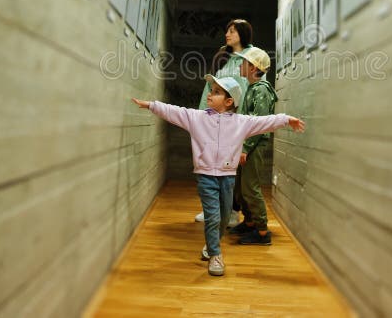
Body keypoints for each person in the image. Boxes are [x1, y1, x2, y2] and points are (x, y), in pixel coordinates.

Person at [131, 76, 306, 276]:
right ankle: (215, 254)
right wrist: (151, 105)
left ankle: (211, 243)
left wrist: (286, 119)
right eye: (211, 90)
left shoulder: (242, 122)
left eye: (216, 92)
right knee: (213, 217)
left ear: (229, 101)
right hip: (205, 176)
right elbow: (174, 111)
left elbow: (265, 121)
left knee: (224, 218)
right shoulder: (196, 118)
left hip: (228, 176)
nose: (210, 94)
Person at [194, 19, 259, 225]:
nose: (227, 34)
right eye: (227, 31)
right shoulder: (223, 56)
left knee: (229, 168)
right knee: (209, 163)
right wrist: (201, 114)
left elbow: (249, 90)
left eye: (232, 31)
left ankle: (230, 211)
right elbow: (211, 86)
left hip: (233, 121)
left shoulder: (251, 57)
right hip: (212, 119)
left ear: (242, 33)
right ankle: (211, 209)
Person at [228, 47, 276, 245]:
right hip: (246, 145)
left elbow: (258, 123)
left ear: (254, 67)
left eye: (244, 63)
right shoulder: (252, 88)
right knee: (240, 188)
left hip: (253, 146)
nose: (240, 65)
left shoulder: (262, 90)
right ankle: (249, 223)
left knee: (250, 188)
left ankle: (263, 233)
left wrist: (246, 148)